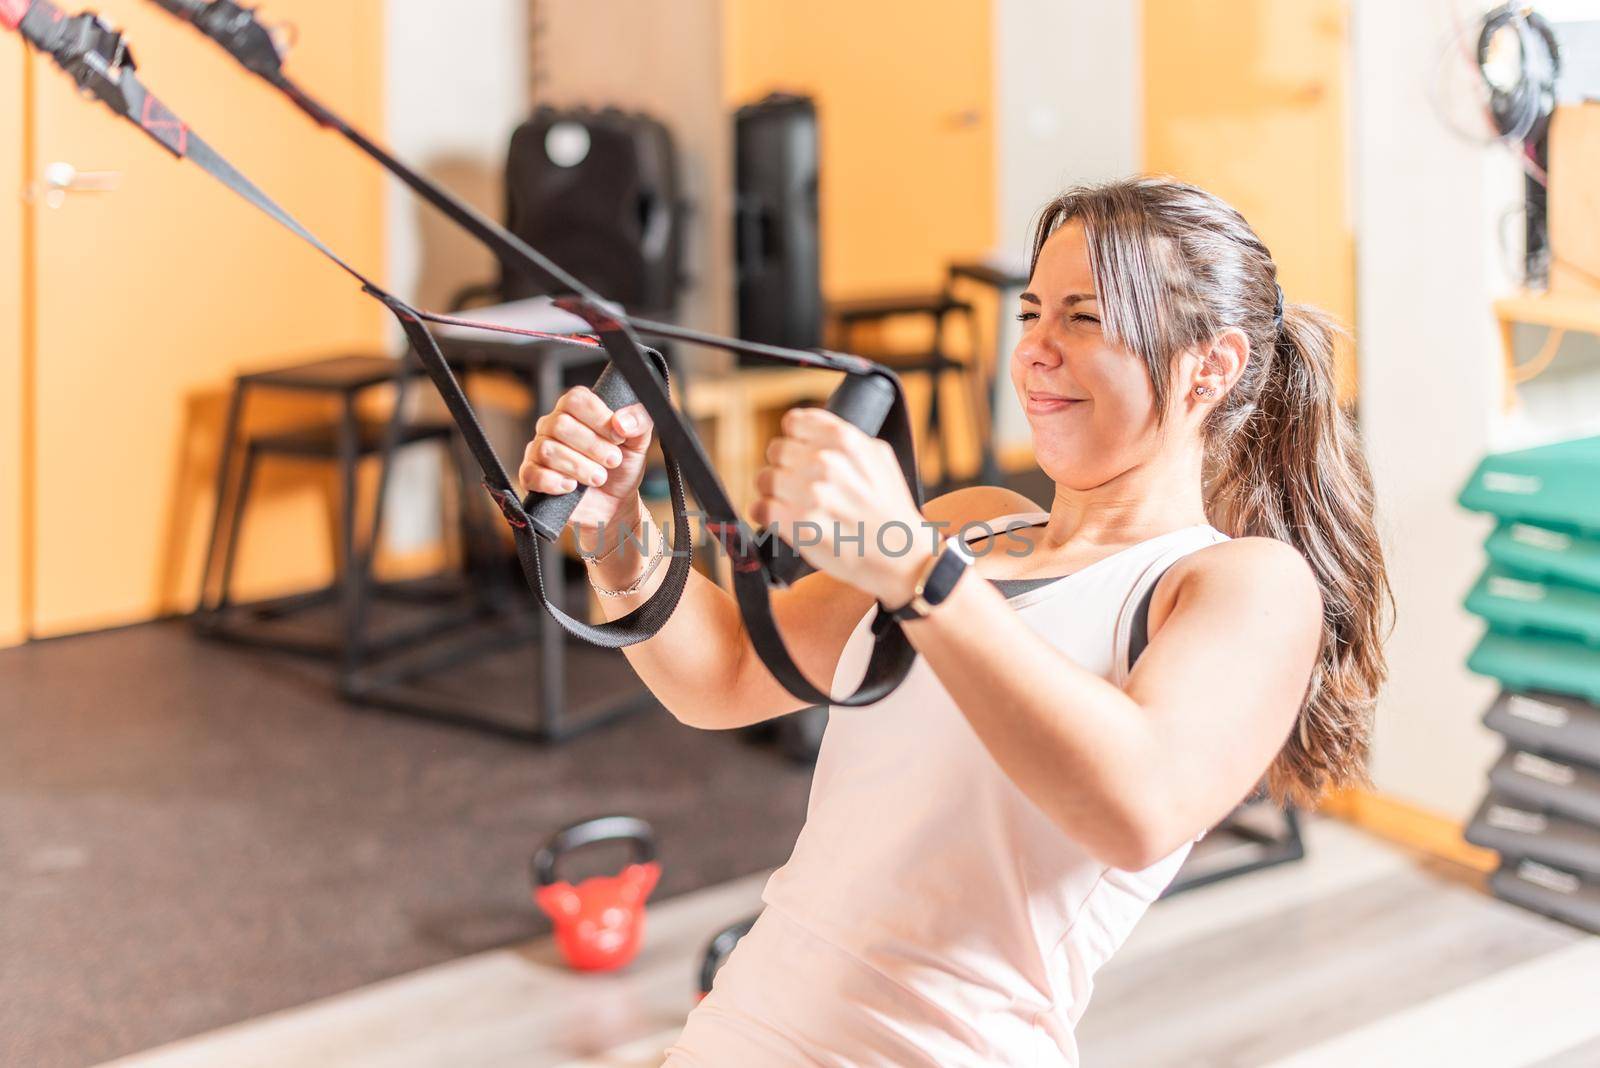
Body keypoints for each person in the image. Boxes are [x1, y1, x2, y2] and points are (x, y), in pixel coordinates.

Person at [519, 177, 1391, 1066]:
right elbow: (729, 674)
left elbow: (1139, 806)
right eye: (1032, 314)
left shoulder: (1238, 584)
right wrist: (618, 528)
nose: (1037, 353)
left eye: (1084, 319)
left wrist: (910, 566)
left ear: (1212, 365)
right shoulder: (967, 523)